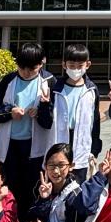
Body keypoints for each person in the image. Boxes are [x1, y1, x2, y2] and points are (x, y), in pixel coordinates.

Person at [0, 42, 54, 217]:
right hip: (10, 146)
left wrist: (41, 110)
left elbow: (51, 121)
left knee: (33, 187)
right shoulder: (9, 80)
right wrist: (9, 112)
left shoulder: (49, 81)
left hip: (35, 147)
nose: (26, 72)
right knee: (11, 186)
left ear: (42, 63)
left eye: (32, 68)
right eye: (22, 67)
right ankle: (9, 221)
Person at [34, 43, 103, 184]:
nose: (76, 69)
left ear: (88, 65)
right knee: (56, 184)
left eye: (80, 66)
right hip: (58, 141)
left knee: (78, 185)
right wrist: (44, 105)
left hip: (81, 145)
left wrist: (95, 149)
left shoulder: (91, 90)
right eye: (72, 65)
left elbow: (95, 122)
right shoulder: (55, 88)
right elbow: (45, 122)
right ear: (64, 65)